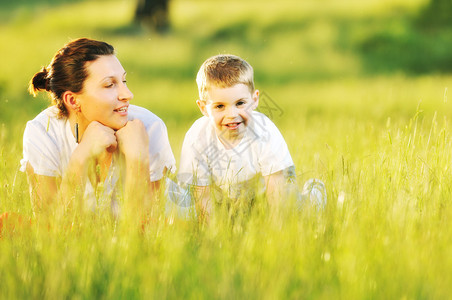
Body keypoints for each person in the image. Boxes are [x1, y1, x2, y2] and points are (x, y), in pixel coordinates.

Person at [21, 38, 175, 219]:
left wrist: (137, 159)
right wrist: (80, 157)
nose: (128, 94)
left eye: (124, 81)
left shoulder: (150, 128)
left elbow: (145, 235)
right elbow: (49, 230)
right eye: (110, 85)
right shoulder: (43, 133)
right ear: (72, 100)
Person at [177, 54, 325, 221]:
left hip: (269, 191)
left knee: (294, 210)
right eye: (219, 106)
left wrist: (275, 236)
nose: (232, 115)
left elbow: (278, 196)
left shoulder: (264, 131)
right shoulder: (198, 138)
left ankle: (314, 197)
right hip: (224, 199)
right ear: (203, 108)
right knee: (184, 210)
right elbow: (202, 197)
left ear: (254, 100)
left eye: (240, 103)